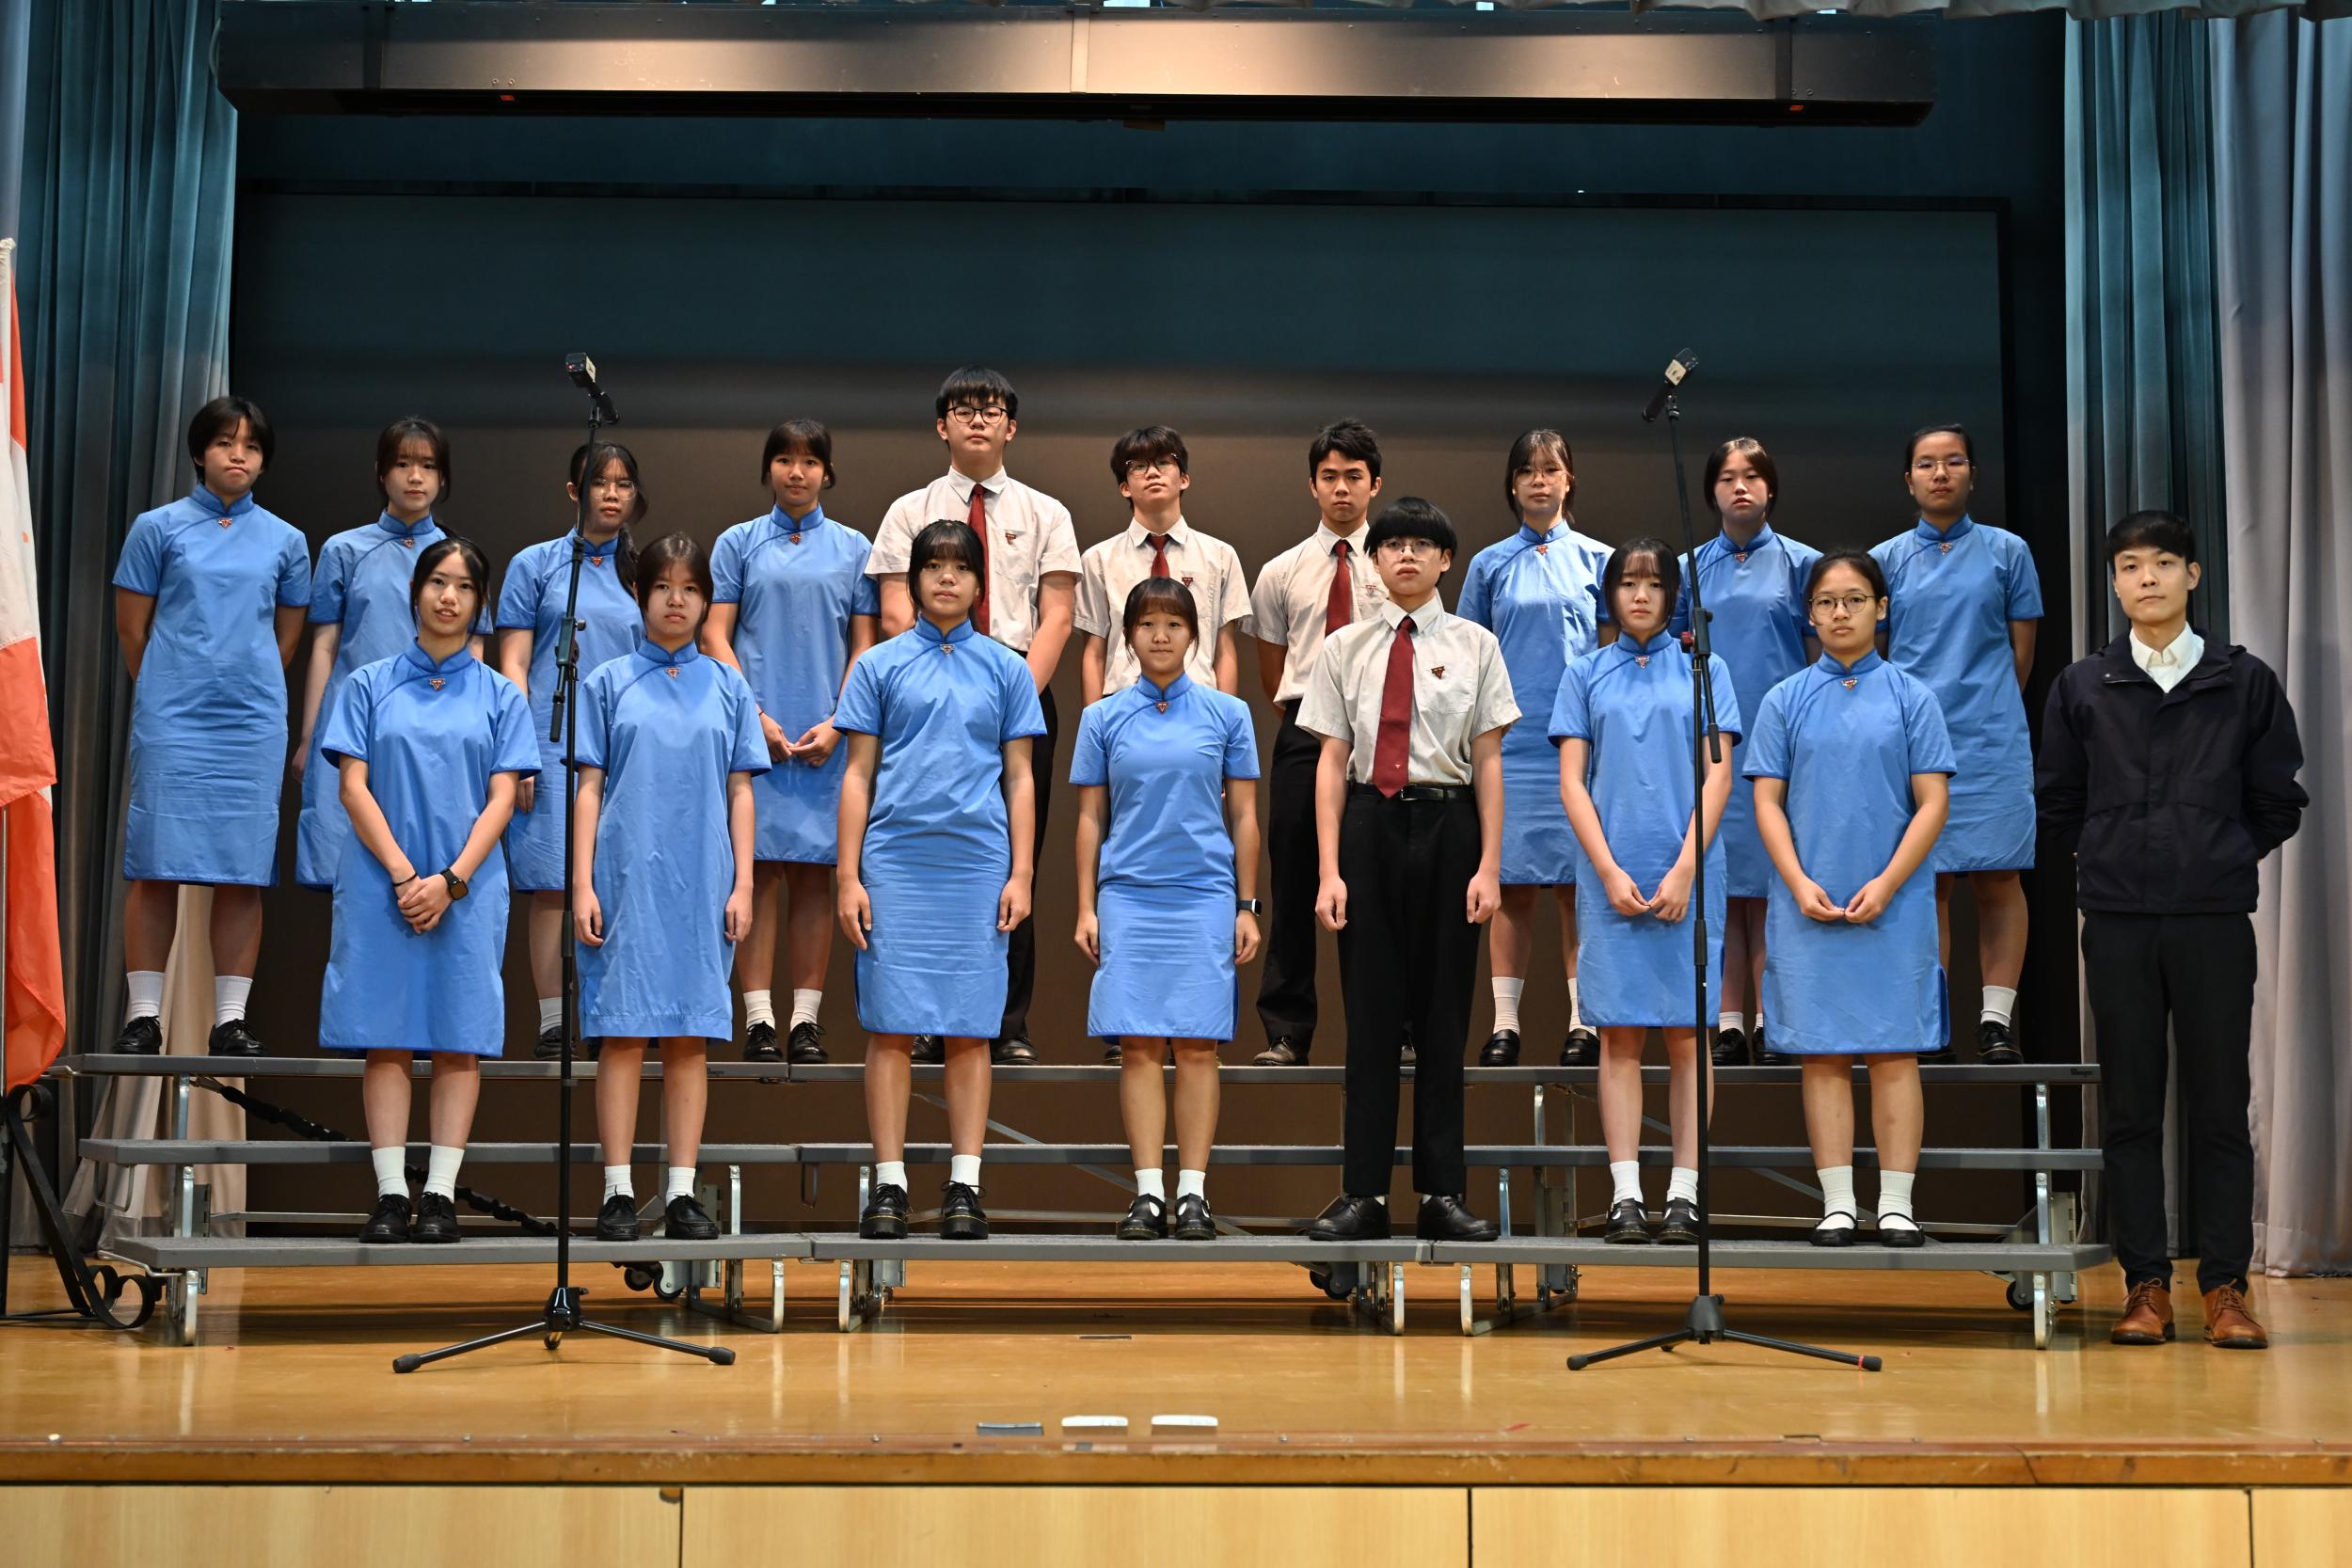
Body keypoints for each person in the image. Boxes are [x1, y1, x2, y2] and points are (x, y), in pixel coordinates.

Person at [2038, 510, 2304, 1351]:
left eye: (2161, 562)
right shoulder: (2083, 684)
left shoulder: (2243, 679)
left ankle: (2225, 1286)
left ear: (2193, 574)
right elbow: (2058, 800)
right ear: (2114, 582)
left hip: (2213, 919)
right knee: (2131, 1108)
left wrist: (2217, 853)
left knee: (2222, 1105)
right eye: (2129, 565)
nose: (2145, 578)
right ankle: (2145, 1284)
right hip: (2117, 919)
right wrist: (2109, 854)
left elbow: (2278, 798)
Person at [1300, 498, 1515, 1244]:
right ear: (1375, 558)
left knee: (1443, 1018)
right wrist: (1329, 870)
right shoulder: (1343, 647)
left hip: (1450, 824)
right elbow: (1331, 761)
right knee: (1369, 1019)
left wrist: (1490, 864)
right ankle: (1362, 1192)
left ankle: (1441, 1192)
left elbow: (1488, 760)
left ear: (1446, 560)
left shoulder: (1477, 644)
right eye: (1393, 545)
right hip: (1369, 825)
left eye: (1424, 545)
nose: (1407, 556)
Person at [319, 538, 536, 1243]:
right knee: (384, 1038)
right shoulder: (368, 683)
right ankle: (390, 1194)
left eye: (464, 586)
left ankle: (439, 1194)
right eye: (438, 582)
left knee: (458, 1037)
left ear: (481, 603)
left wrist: (451, 881)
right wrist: (407, 876)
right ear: (415, 591)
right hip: (382, 881)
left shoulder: (501, 694)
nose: (449, 597)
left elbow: (503, 799)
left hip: (468, 886)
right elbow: (352, 788)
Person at [837, 520, 1047, 1242]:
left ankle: (965, 1184)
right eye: (933, 566)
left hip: (977, 864)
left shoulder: (1007, 669)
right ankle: (889, 1184)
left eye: (961, 567)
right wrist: (848, 875)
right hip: (895, 861)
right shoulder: (879, 665)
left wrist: (1022, 871)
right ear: (914, 579)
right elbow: (857, 774)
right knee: (890, 1024)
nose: (947, 578)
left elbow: (1021, 778)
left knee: (969, 1027)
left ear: (981, 583)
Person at [866, 368, 1076, 1066]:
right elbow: (895, 612)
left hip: (1017, 690)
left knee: (1015, 859)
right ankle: (930, 1017)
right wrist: (945, 688)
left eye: (991, 411)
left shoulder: (1047, 512)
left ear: (1012, 426)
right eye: (964, 410)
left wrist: (1008, 696)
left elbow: (1057, 618)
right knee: (933, 856)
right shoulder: (909, 510)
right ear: (942, 425)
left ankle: (1007, 1020)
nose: (978, 420)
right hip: (926, 695)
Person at [1746, 551, 1953, 1248]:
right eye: (1827, 602)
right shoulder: (1784, 699)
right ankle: (1837, 1204)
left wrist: (1888, 882)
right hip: (1808, 900)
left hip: (1894, 901)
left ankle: (1896, 1204)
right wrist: (1798, 880)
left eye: (1855, 599)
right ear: (1809, 613)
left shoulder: (1913, 697)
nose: (1840, 613)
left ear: (1881, 608)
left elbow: (1933, 802)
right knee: (1822, 1052)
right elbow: (1766, 802)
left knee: (1895, 1050)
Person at [574, 533, 768, 1243]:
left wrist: (744, 882)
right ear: (639, 594)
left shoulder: (728, 685)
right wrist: (581, 882)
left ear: (707, 600)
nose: (676, 600)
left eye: (690, 588)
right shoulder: (606, 682)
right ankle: (618, 1191)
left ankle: (682, 1190)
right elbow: (588, 788)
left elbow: (741, 791)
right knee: (623, 1034)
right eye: (662, 586)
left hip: (703, 879)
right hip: (625, 875)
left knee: (690, 1036)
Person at [110, 396, 310, 1057]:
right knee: (155, 864)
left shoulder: (286, 540)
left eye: (251, 447)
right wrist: (173, 686)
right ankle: (144, 1017)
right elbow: (132, 631)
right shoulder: (156, 527)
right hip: (173, 718)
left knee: (242, 870)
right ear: (200, 452)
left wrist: (241, 682)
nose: (238, 456)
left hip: (250, 724)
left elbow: (285, 640)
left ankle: (229, 1021)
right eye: (225, 443)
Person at [1553, 538, 1740, 1245]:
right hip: (1612, 872)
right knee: (1619, 1037)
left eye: (1654, 583)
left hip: (1689, 868)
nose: (1640, 595)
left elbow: (1719, 774)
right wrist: (1606, 870)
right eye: (1628, 583)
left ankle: (1685, 1193)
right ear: (1610, 594)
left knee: (1689, 1036)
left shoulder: (1705, 668)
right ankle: (1626, 1193)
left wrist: (1687, 866)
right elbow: (1572, 782)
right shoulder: (1585, 673)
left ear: (1673, 595)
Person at [1072, 579, 1262, 1240]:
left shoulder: (1228, 713)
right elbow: (1090, 818)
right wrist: (1086, 905)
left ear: (1194, 636)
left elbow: (1244, 815)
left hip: (1205, 893)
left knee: (1199, 1045)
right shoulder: (1101, 718)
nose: (1160, 635)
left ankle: (1194, 1194)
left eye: (1174, 624)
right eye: (1147, 624)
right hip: (1127, 894)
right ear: (1128, 636)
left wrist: (1246, 905)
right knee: (1138, 1043)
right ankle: (1148, 1192)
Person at [704, 420, 880, 1066]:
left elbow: (864, 644)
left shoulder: (855, 548)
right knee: (755, 872)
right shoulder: (737, 543)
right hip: (755, 730)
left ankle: (805, 1021)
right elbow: (715, 635)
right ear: (768, 469)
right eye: (784, 459)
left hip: (825, 733)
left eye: (809, 461)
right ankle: (758, 1020)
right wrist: (752, 715)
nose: (797, 472)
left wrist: (840, 722)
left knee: (813, 876)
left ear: (827, 472)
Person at [1870, 425, 2041, 1063]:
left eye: (1953, 461)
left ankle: (1996, 1022)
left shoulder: (2008, 551)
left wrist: (1987, 707)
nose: (1940, 473)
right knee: (1927, 882)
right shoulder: (1885, 559)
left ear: (1972, 473)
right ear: (1907, 479)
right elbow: (1877, 656)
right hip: (1913, 743)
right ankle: (1932, 1019)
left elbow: (2021, 655)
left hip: (1991, 738)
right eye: (1926, 464)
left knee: (1999, 877)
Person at [1456, 429, 1611, 1069]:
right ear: (1513, 485)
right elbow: (1467, 658)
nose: (1539, 480)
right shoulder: (1489, 564)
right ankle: (1505, 1026)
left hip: (1580, 745)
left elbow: (1614, 660)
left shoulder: (1601, 560)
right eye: (1527, 471)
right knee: (1512, 887)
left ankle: (1584, 1022)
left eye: (1551, 469)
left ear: (1569, 479)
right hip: (1512, 746)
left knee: (1579, 889)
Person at [1244, 420, 1391, 1068]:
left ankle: (1389, 1028)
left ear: (1375, 484)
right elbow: (1272, 670)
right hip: (1305, 728)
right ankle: (1287, 1031)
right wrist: (1317, 716)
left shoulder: (1397, 563)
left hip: (1384, 729)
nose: (1341, 488)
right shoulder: (1281, 571)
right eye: (1329, 477)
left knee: (1379, 883)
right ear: (1312, 485)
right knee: (1297, 876)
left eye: (1354, 476)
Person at [1675, 437, 1821, 1069]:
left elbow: (1817, 659)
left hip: (1778, 739)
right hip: (1710, 742)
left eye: (1753, 476)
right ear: (1711, 491)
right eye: (1728, 477)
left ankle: (1770, 1019)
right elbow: (1676, 655)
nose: (1741, 486)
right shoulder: (1688, 567)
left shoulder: (1802, 563)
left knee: (1767, 887)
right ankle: (1728, 1021)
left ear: (1771, 488)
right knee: (1722, 884)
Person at [497, 443, 645, 1059]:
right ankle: (554, 1020)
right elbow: (513, 662)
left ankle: (616, 1013)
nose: (611, 493)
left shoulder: (642, 571)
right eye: (598, 482)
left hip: (626, 745)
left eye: (623, 483)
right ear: (572, 491)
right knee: (552, 882)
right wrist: (517, 750)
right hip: (551, 737)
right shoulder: (535, 565)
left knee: (620, 878)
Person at [295, 419, 485, 894]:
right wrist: (309, 738)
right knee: (348, 870)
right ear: (381, 472)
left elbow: (476, 653)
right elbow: (325, 647)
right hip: (355, 728)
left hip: (436, 729)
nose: (415, 477)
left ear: (443, 477)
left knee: (431, 864)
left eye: (428, 466)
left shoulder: (459, 559)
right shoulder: (345, 549)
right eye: (402, 464)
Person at [1076, 426, 1249, 705]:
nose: (1152, 473)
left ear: (1184, 479)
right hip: (1123, 702)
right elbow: (1094, 652)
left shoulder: (1220, 556)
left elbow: (1224, 650)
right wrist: (1094, 721)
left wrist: (1225, 718)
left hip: (1199, 703)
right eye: (1138, 466)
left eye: (1163, 462)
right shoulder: (1098, 560)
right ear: (1124, 487)